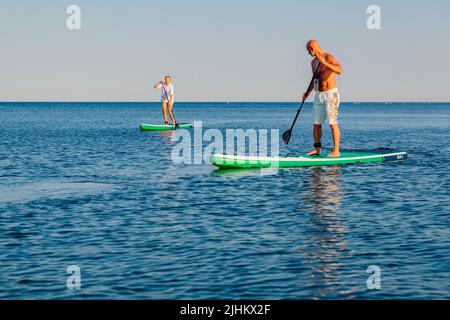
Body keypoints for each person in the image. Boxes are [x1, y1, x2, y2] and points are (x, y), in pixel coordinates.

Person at [302, 40, 343, 157]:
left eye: (308, 51)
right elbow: (314, 79)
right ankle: (317, 149)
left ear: (312, 49)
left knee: (332, 122)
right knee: (316, 123)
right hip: (318, 95)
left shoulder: (329, 57)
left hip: (331, 94)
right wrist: (307, 93)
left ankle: (336, 151)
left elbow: (340, 70)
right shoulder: (313, 63)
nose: (308, 53)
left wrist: (325, 62)